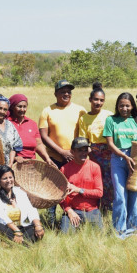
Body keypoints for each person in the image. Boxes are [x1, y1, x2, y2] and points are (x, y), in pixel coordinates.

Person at [39, 79, 86, 224]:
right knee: (53, 191)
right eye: (62, 92)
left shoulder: (80, 110)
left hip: (75, 159)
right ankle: (50, 222)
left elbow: (83, 133)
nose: (66, 94)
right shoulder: (47, 111)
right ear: (55, 94)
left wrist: (76, 153)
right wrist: (61, 151)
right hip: (54, 159)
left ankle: (77, 218)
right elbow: (43, 136)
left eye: (68, 92)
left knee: (74, 189)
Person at [102, 93, 137, 238]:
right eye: (121, 105)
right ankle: (119, 230)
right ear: (117, 106)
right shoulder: (111, 120)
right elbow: (110, 144)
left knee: (134, 194)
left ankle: (132, 229)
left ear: (132, 106)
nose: (124, 108)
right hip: (118, 159)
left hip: (136, 158)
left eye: (127, 105)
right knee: (120, 195)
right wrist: (124, 156)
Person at [0, 165, 44, 244]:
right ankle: (24, 244)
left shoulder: (20, 192)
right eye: (5, 178)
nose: (9, 180)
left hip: (19, 227)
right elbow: (0, 216)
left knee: (37, 229)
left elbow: (30, 209)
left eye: (10, 177)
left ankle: (13, 243)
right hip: (5, 227)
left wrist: (38, 226)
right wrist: (16, 231)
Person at [78, 83, 114, 210]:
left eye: (101, 100)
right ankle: (94, 209)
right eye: (96, 99)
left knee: (109, 182)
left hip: (109, 153)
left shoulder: (109, 115)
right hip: (93, 154)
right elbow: (83, 139)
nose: (98, 102)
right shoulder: (84, 119)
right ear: (90, 100)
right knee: (94, 182)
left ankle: (108, 209)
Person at [59, 137, 104, 233]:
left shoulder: (95, 167)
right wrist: (69, 210)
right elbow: (59, 196)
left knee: (98, 236)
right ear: (72, 152)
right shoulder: (64, 169)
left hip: (92, 210)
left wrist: (79, 190)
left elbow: (99, 193)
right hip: (73, 211)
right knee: (66, 236)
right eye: (80, 150)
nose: (84, 153)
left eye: (85, 150)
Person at [7, 93, 54, 166]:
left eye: (24, 107)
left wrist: (47, 158)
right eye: (19, 106)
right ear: (13, 107)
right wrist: (14, 158)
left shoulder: (32, 124)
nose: (22, 109)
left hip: (31, 164)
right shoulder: (7, 123)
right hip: (13, 164)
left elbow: (38, 144)